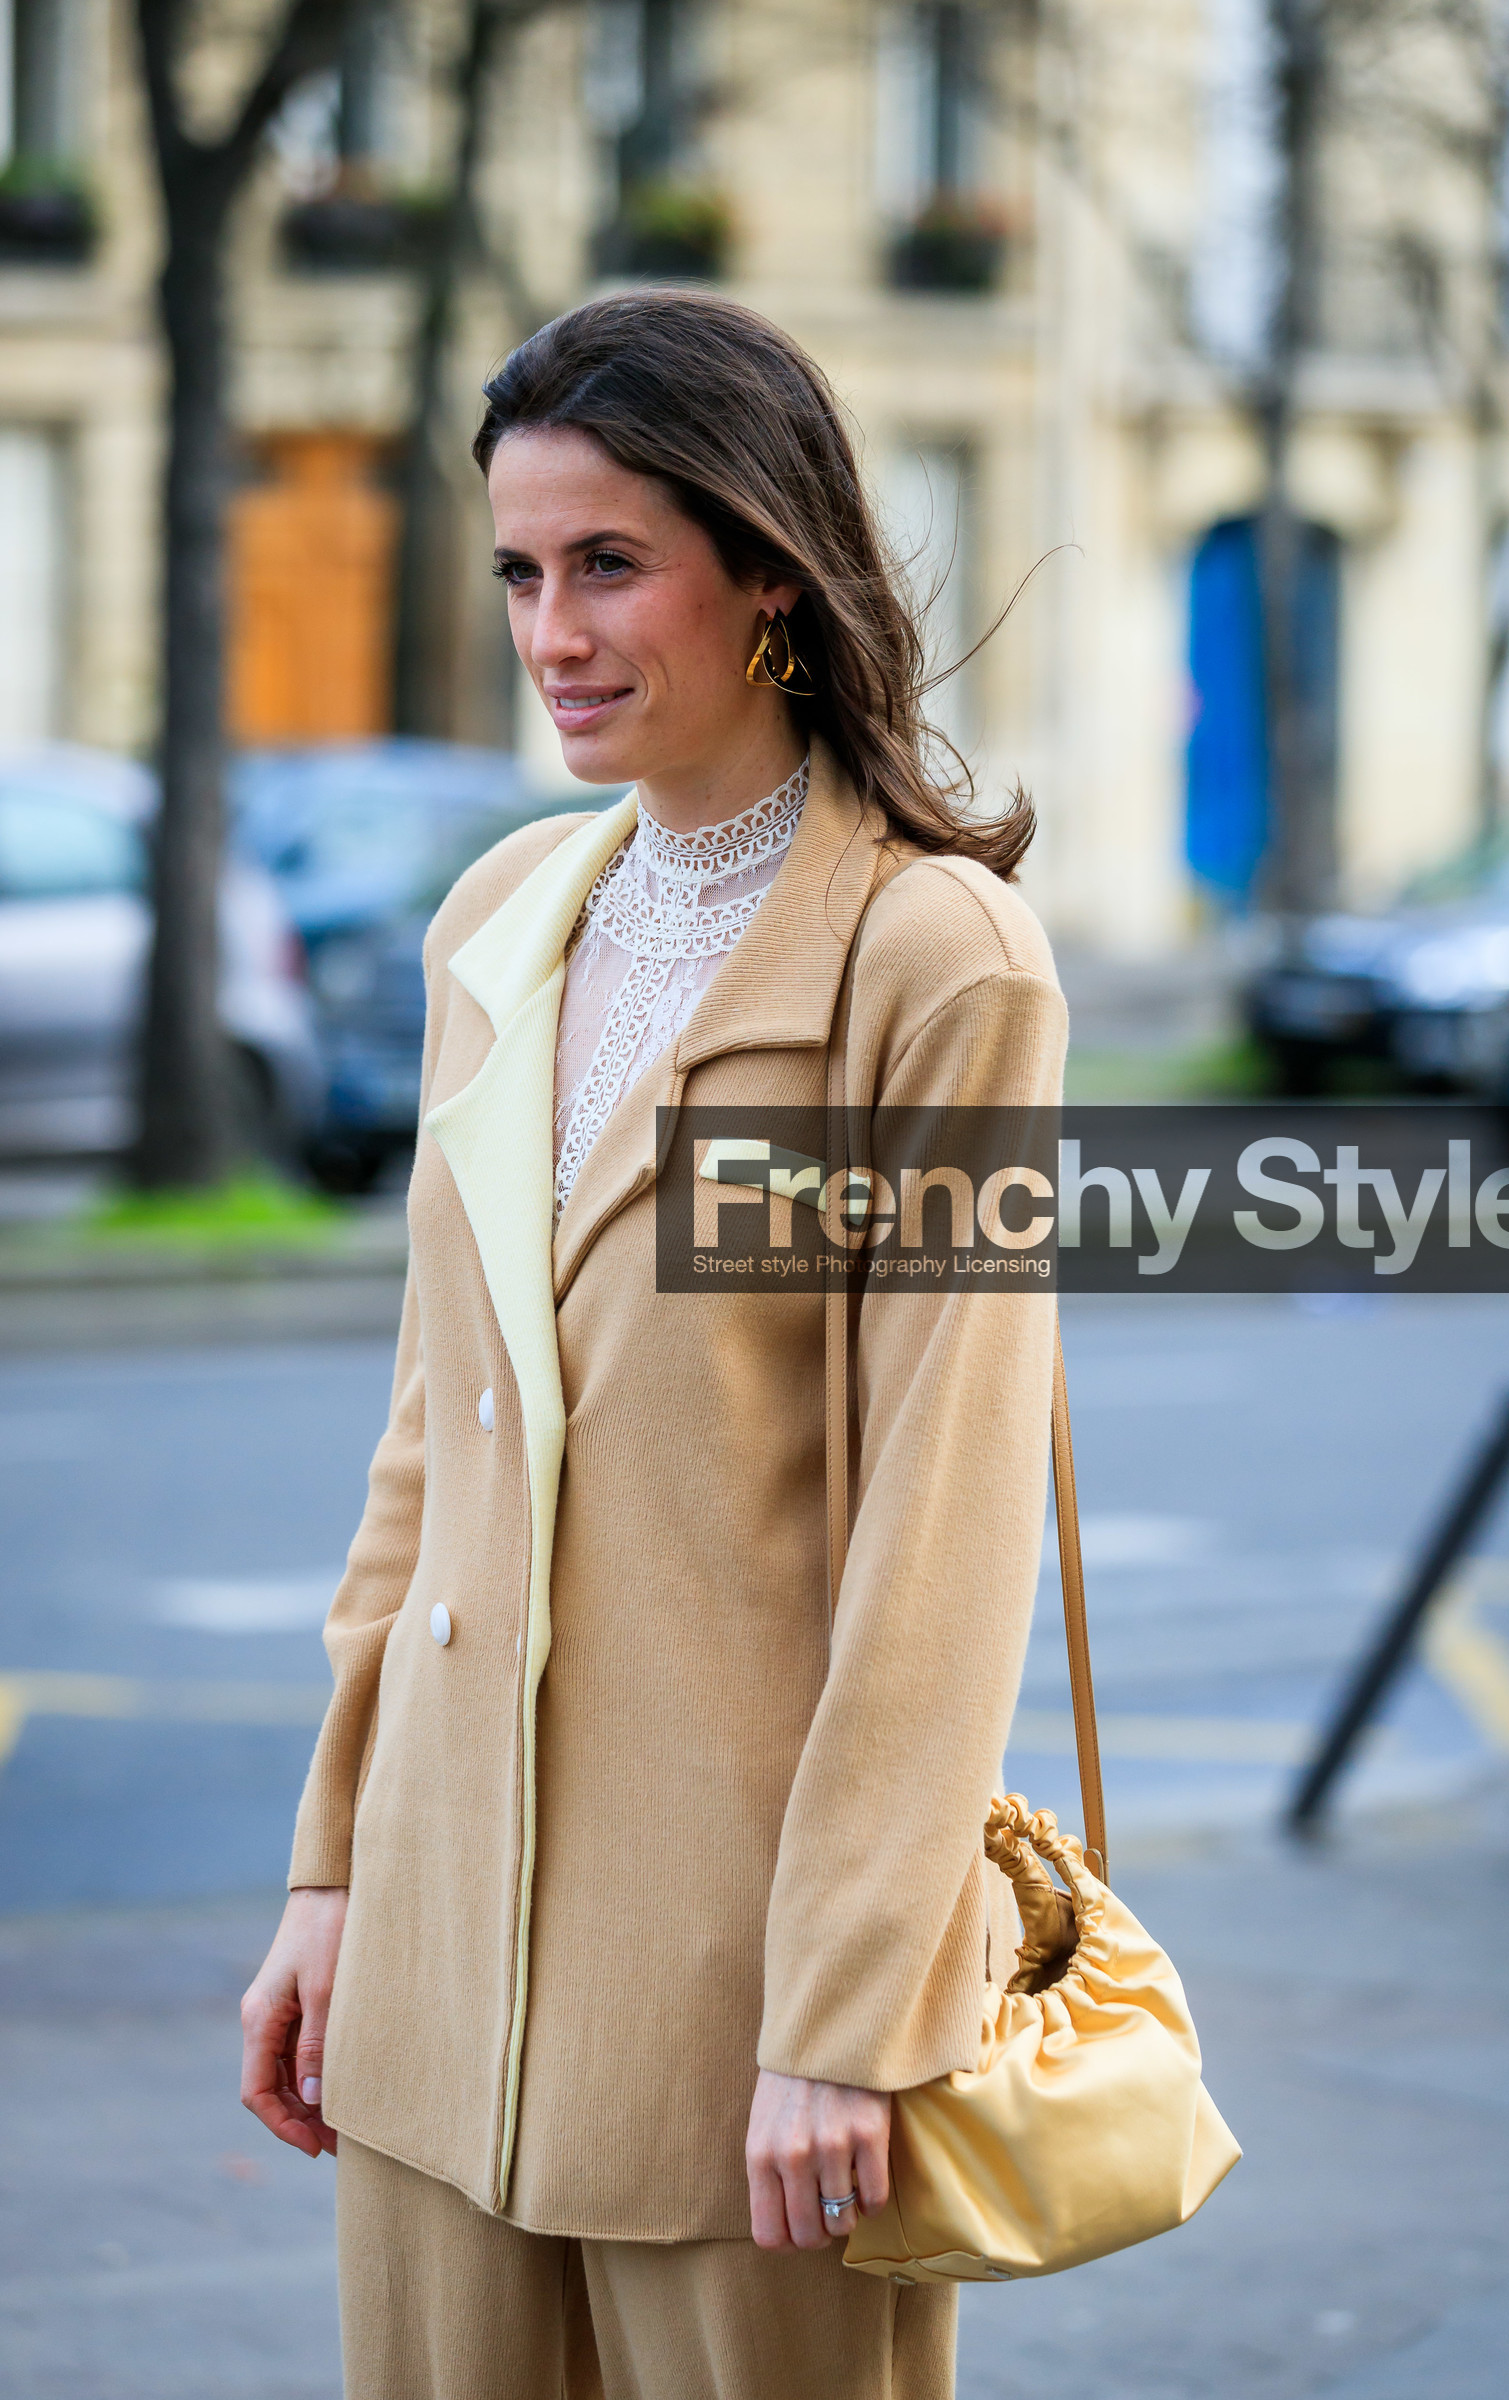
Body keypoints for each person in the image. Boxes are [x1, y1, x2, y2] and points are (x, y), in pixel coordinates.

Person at [241, 289, 1068, 2400]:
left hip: (746, 2028)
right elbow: (429, 1448)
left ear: (766, 566)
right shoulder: (499, 920)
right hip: (434, 1985)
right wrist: (332, 1869)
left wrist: (849, 2013)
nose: (553, 632)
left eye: (610, 563)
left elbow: (940, 1528)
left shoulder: (928, 960)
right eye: (521, 572)